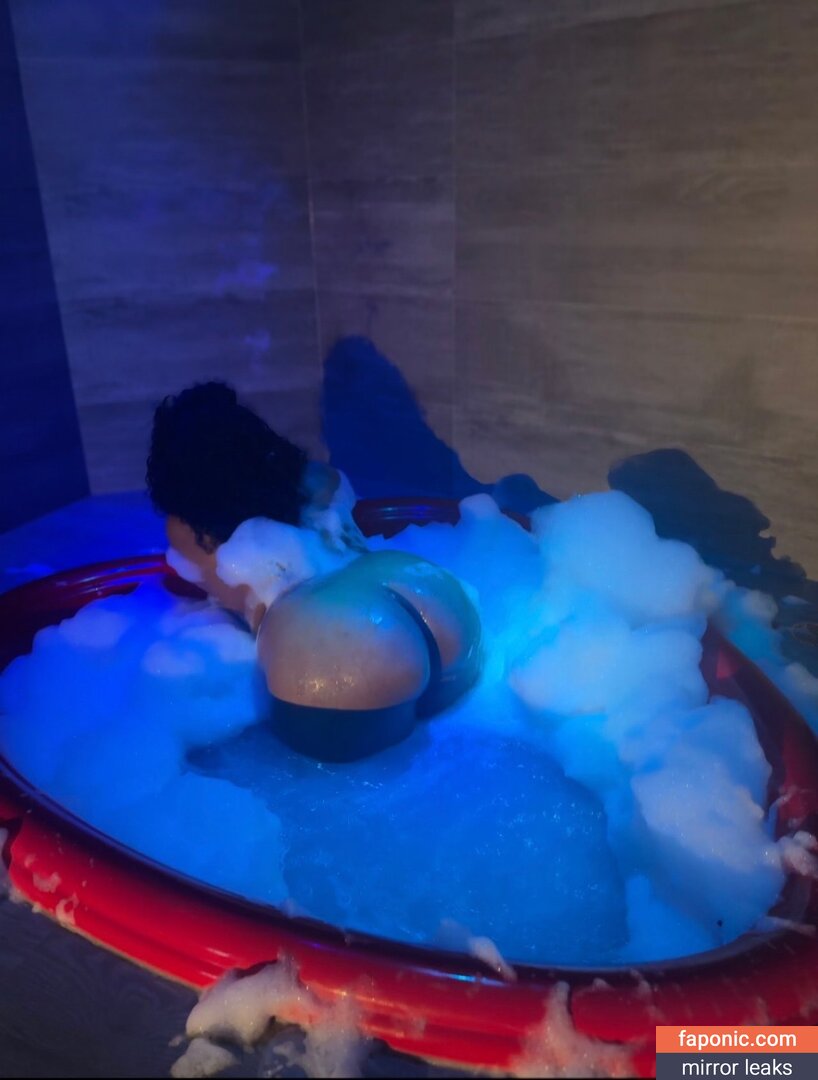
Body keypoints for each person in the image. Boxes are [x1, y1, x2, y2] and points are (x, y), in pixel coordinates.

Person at [146, 383, 482, 761]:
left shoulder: (190, 530)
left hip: (334, 641)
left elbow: (193, 579)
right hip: (425, 590)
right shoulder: (322, 483)